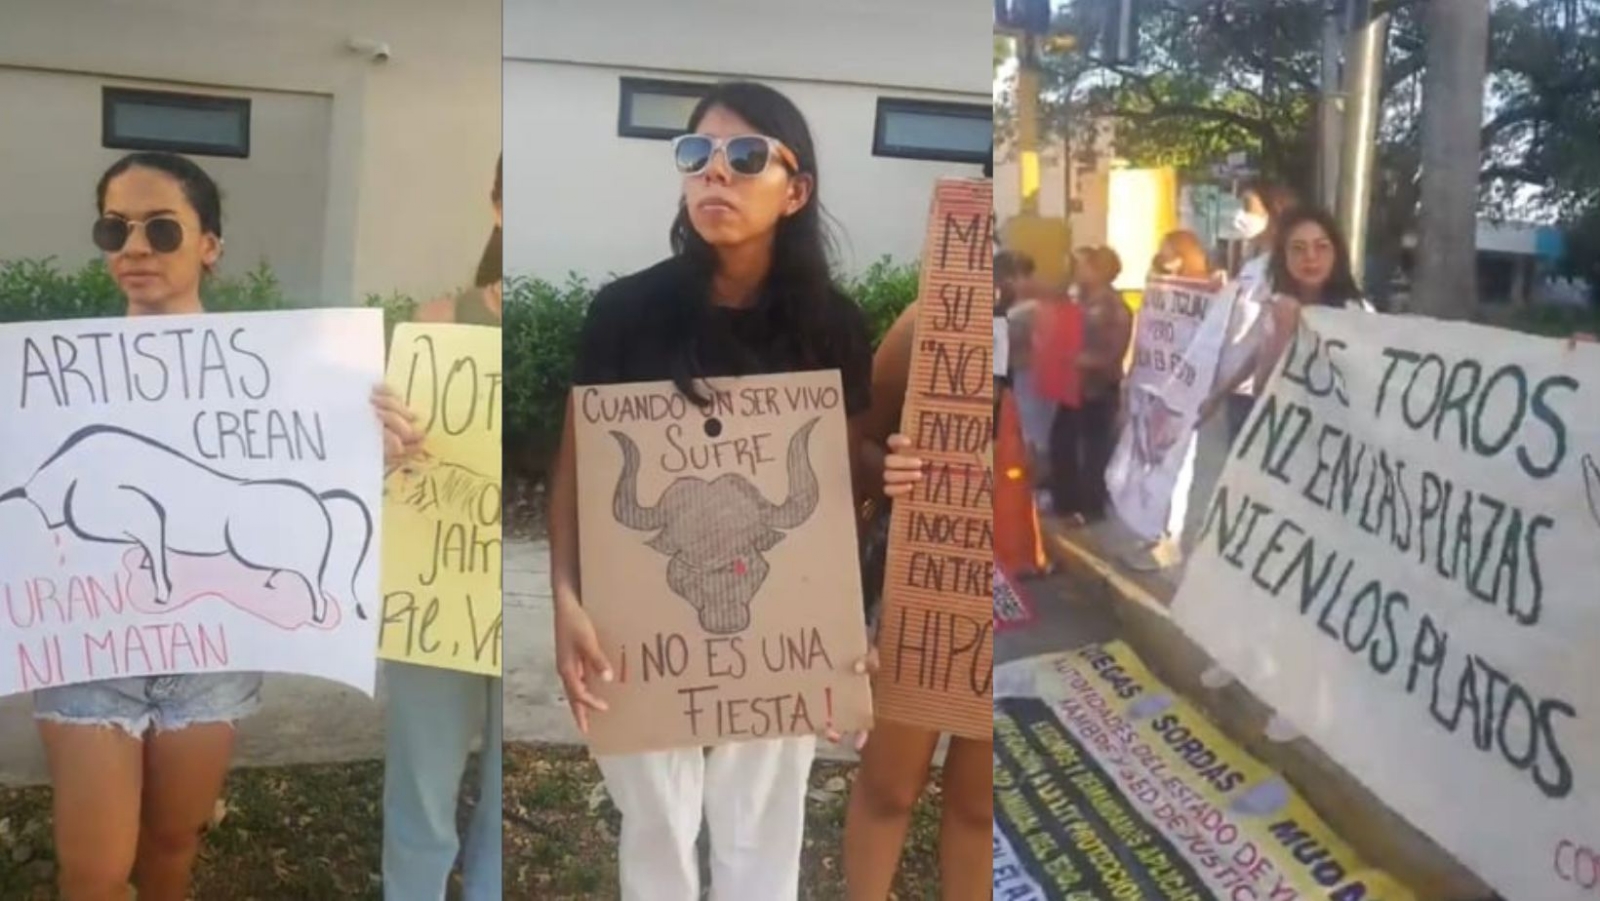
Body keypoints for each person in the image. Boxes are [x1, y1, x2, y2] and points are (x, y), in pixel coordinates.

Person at [35, 151, 415, 901]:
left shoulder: (283, 375)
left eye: (161, 228)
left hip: (212, 653)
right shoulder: (50, 378)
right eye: (115, 228)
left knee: (174, 844)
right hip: (88, 647)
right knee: (95, 873)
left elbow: (296, 493)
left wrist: (377, 455)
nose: (135, 247)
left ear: (210, 244)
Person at [546, 81, 876, 901]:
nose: (714, 174)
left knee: (764, 814)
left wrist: (844, 626)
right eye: (696, 155)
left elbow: (841, 478)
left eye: (745, 156)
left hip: (778, 620)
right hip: (640, 609)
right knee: (652, 813)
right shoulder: (623, 312)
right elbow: (578, 470)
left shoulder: (833, 324)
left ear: (795, 190)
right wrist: (564, 598)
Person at [380, 155, 503, 901]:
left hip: (524, 591)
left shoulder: (603, 324)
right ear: (496, 204)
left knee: (501, 790)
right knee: (421, 782)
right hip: (433, 585)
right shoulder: (433, 322)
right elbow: (387, 465)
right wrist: (383, 439)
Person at [842, 299, 994, 901]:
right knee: (889, 786)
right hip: (923, 585)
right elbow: (856, 442)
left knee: (982, 805)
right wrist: (892, 468)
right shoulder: (934, 317)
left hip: (1010, 595)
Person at [1207, 181, 1301, 437]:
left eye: (1248, 206)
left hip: (1259, 392)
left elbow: (1271, 338)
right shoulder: (1254, 264)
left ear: (1274, 212)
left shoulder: (1285, 268)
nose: (1240, 214)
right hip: (1236, 390)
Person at [1049, 246, 1132, 523]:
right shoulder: (1081, 300)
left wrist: (1076, 359)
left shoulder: (1112, 307)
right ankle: (1066, 502)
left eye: (1086, 266)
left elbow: (1111, 353)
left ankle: (1090, 507)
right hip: (1073, 385)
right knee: (1063, 443)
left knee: (1093, 450)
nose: (1079, 270)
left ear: (1099, 271)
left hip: (1096, 387)